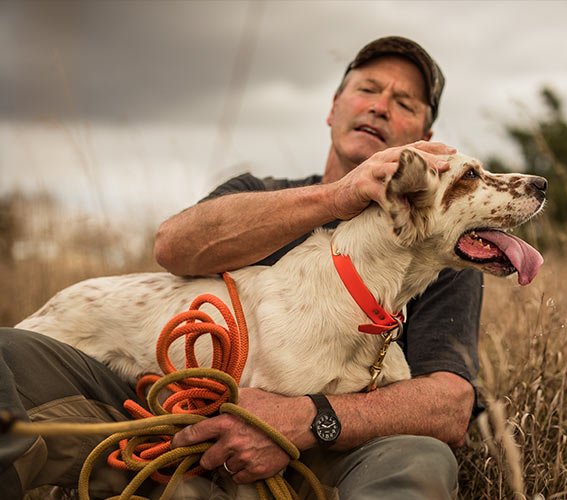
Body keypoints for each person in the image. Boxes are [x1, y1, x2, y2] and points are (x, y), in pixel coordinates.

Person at [0, 36, 482, 499]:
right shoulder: (260, 191)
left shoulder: (444, 247)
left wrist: (308, 419)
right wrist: (337, 197)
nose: (380, 105)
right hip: (158, 425)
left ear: (425, 140)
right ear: (334, 107)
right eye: (368, 89)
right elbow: (172, 247)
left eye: (404, 102)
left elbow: (449, 404)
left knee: (420, 459)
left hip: (319, 454)